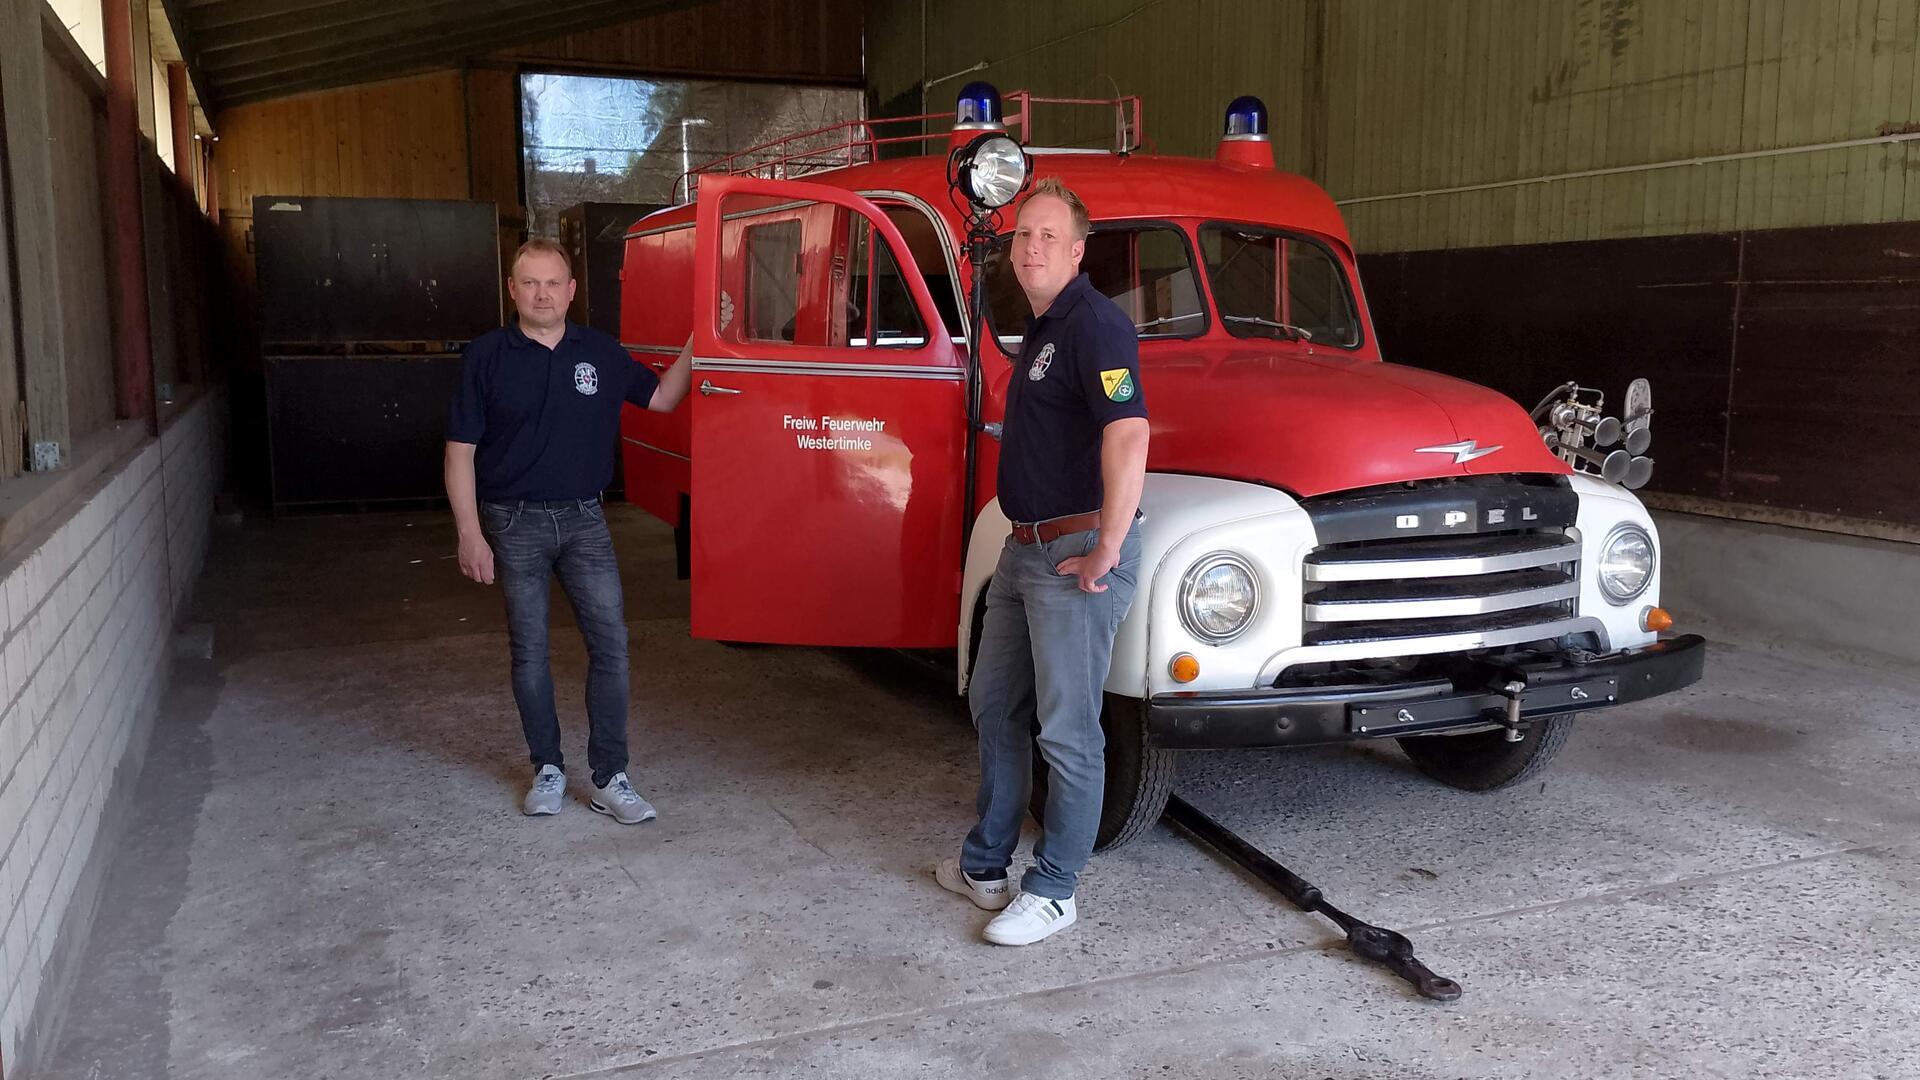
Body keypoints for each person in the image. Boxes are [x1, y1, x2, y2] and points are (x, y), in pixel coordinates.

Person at [935, 178, 1150, 945]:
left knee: (1068, 733)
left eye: (1049, 235)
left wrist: (1109, 548)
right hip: (1026, 552)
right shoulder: (1044, 329)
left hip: (1071, 555)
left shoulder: (1096, 326)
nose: (1032, 246)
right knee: (994, 706)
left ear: (1079, 250)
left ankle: (1056, 889)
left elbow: (1128, 435)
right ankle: (985, 865)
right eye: (1024, 234)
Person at [444, 237, 692, 823]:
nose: (542, 293)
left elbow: (661, 398)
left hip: (585, 519)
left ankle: (610, 777)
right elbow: (459, 453)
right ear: (512, 290)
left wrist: (698, 342)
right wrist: (469, 533)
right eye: (529, 282)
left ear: (572, 290)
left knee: (612, 646)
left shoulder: (600, 352)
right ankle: (547, 769)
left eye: (553, 282)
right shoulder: (485, 356)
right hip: (513, 522)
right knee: (529, 651)